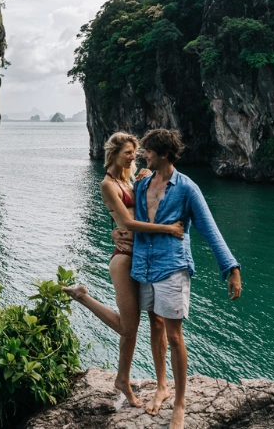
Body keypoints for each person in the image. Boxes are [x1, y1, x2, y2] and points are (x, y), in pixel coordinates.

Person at [119, 128, 242, 429]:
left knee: (174, 336)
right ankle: (162, 386)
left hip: (172, 267)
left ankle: (180, 403)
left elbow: (210, 230)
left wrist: (232, 269)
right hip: (144, 267)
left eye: (147, 150)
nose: (141, 155)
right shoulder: (143, 182)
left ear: (162, 154)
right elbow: (127, 215)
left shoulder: (187, 188)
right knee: (155, 326)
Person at [63, 132, 184, 408]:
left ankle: (124, 379)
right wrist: (168, 229)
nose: (134, 156)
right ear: (115, 152)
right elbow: (127, 223)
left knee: (144, 325)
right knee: (128, 328)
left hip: (141, 256)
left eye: (136, 151)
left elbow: (131, 214)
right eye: (129, 152)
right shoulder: (108, 184)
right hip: (124, 259)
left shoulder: (128, 179)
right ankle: (82, 296)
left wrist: (142, 179)